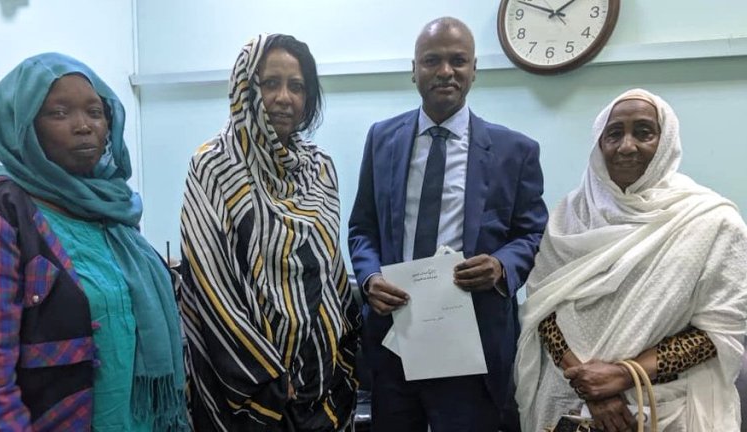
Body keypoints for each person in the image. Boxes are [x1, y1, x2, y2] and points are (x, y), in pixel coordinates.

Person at [348, 17, 548, 432]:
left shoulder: (516, 150)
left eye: (458, 61)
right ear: (414, 69)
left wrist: (501, 267)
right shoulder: (382, 139)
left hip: (471, 344)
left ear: (474, 69)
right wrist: (368, 279)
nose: (445, 71)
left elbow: (531, 233)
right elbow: (362, 227)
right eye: (432, 60)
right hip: (395, 338)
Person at [514, 88, 747, 432]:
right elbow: (543, 308)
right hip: (567, 401)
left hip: (667, 408)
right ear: (599, 144)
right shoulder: (568, 217)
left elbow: (719, 331)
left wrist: (622, 376)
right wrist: (590, 385)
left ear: (665, 140)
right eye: (614, 134)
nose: (627, 146)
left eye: (643, 132)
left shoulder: (712, 221)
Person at [0, 53, 188, 431]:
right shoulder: (0, 214)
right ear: (22, 127)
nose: (84, 126)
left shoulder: (112, 209)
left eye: (95, 111)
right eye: (59, 113)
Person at [179, 34, 360, 432]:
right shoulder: (214, 165)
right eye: (270, 83)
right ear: (246, 87)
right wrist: (266, 376)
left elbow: (329, 269)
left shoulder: (320, 168)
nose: (283, 97)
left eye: (296, 86)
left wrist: (340, 349)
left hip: (320, 376)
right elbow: (212, 281)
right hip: (249, 382)